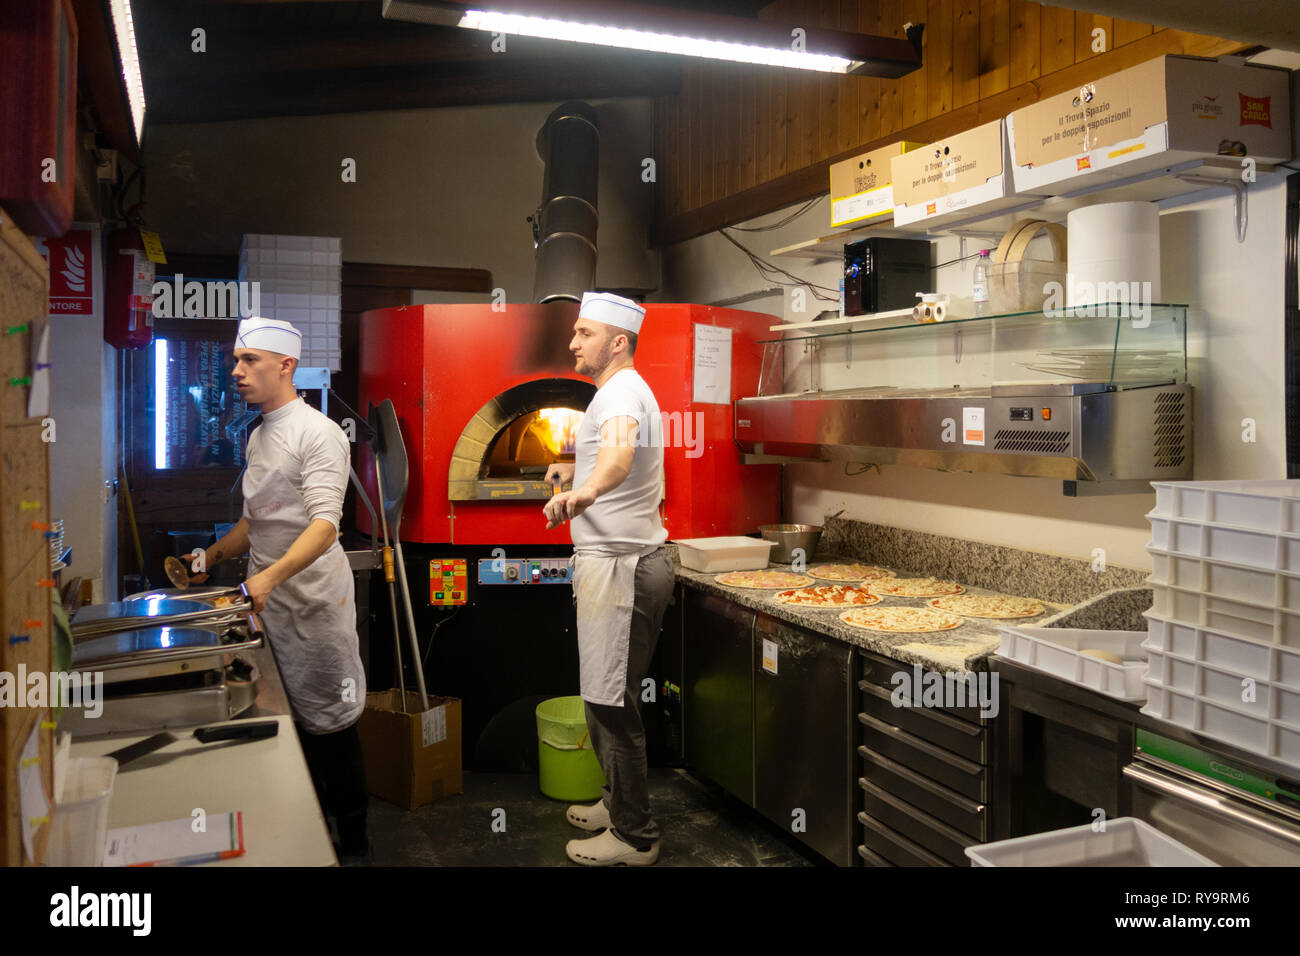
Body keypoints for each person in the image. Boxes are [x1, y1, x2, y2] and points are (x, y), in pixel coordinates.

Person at [193, 317, 369, 860]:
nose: (237, 371)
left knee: (330, 722)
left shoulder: (318, 433)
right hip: (267, 600)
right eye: (235, 360)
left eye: (250, 361)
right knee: (285, 713)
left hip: (313, 602)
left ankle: (355, 843)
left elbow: (324, 525)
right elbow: (259, 520)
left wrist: (265, 578)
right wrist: (213, 556)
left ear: (286, 366)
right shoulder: (258, 433)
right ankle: (303, 828)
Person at [543, 292, 674, 866]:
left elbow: (620, 459)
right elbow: (619, 454)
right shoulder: (621, 391)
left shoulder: (620, 391)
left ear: (617, 341)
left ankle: (635, 836)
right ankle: (616, 802)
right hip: (617, 563)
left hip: (623, 567)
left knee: (612, 704)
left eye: (584, 333)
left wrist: (582, 492)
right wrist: (576, 468)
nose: (573, 343)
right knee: (603, 697)